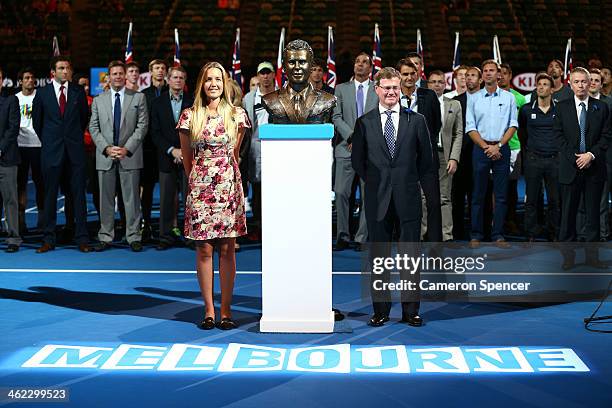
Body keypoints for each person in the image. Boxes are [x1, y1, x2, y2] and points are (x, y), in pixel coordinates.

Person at [351, 67, 433, 327]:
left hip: (408, 198)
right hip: (378, 199)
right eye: (386, 87)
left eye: (395, 87)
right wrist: (377, 183)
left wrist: (405, 182)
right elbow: (358, 162)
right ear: (377, 90)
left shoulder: (417, 120)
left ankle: (411, 311)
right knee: (379, 259)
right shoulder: (364, 122)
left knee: (410, 258)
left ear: (401, 90)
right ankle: (381, 311)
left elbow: (426, 161)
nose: (391, 92)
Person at [177, 62, 250, 330]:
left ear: (225, 83)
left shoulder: (237, 115)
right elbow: (187, 159)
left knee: (228, 249)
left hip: (228, 186)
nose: (214, 84)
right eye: (208, 79)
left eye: (218, 79)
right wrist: (198, 182)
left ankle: (227, 310)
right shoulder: (190, 115)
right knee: (204, 249)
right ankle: (209, 309)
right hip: (201, 187)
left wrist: (223, 177)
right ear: (202, 84)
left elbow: (235, 154)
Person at [32, 56, 91, 253]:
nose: (65, 71)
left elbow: (84, 118)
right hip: (51, 153)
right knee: (50, 197)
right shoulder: (42, 94)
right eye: (61, 68)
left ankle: (81, 238)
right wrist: (52, 142)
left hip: (75, 153)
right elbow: (37, 123)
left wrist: (70, 139)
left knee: (78, 196)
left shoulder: (78, 92)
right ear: (53, 72)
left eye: (67, 68)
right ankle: (49, 239)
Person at [89, 60, 148, 252]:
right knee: (105, 200)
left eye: (121, 73)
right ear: (109, 76)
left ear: (126, 76)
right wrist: (106, 148)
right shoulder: (98, 100)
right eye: (114, 74)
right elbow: (93, 127)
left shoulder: (138, 98)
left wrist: (126, 148)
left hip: (129, 156)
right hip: (105, 157)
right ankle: (105, 236)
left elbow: (142, 126)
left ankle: (133, 236)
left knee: (132, 200)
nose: (118, 77)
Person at [555, 67, 611, 269]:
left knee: (593, 214)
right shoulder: (561, 107)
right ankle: (568, 258)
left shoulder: (601, 107)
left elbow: (606, 136)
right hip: (570, 168)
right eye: (576, 82)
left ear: (590, 84)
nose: (580, 85)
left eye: (584, 82)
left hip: (594, 168)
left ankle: (592, 258)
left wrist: (590, 155)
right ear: (570, 84)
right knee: (568, 215)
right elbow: (558, 137)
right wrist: (576, 158)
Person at [466, 59, 518, 248]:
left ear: (499, 74)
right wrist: (486, 147)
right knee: (478, 194)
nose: (488, 73)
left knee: (501, 195)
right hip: (480, 149)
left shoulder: (509, 98)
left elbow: (513, 124)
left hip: (502, 148)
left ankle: (498, 234)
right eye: (485, 71)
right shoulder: (474, 98)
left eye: (492, 70)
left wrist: (498, 145)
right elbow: (470, 127)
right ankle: (476, 234)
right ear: (483, 75)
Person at [332, 52, 377, 251]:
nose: (360, 65)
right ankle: (342, 235)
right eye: (357, 61)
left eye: (364, 62)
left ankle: (362, 237)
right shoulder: (341, 89)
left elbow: (381, 116)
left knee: (369, 194)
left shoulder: (378, 89)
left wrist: (363, 140)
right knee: (341, 192)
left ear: (371, 67)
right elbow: (336, 116)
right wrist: (353, 137)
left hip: (371, 150)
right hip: (345, 148)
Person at [397, 58, 442, 242]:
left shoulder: (429, 95)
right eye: (405, 74)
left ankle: (435, 246)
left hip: (426, 159)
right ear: (398, 76)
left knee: (433, 203)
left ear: (417, 75)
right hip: (401, 161)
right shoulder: (392, 96)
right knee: (405, 204)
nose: (409, 77)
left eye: (412, 74)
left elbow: (436, 124)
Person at [151, 65, 194, 250]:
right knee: (166, 200)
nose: (178, 80)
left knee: (190, 199)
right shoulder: (157, 102)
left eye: (181, 78)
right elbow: (155, 132)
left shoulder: (193, 102)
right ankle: (166, 236)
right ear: (168, 80)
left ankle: (192, 236)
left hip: (188, 158)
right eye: (175, 77)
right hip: (166, 158)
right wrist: (172, 150)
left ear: (184, 81)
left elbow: (196, 130)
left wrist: (183, 151)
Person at [518, 73, 560, 241]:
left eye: (545, 84)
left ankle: (554, 233)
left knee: (554, 201)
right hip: (533, 160)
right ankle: (531, 233)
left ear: (552, 89)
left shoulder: (560, 109)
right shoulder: (527, 109)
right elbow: (522, 134)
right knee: (531, 200)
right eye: (539, 84)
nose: (541, 87)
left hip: (554, 160)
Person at [427, 70, 463, 241]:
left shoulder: (454, 105)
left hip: (444, 155)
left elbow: (459, 133)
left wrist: (454, 157)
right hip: (424, 156)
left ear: (445, 84)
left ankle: (446, 234)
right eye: (433, 81)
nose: (436, 85)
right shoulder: (421, 103)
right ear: (427, 84)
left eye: (440, 82)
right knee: (421, 196)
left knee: (444, 197)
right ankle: (422, 233)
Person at [242, 61, 276, 241]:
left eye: (268, 73)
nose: (265, 76)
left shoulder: (282, 95)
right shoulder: (249, 98)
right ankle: (257, 226)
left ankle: (273, 226)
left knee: (274, 188)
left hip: (277, 146)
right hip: (255, 146)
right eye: (262, 73)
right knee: (257, 188)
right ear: (257, 75)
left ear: (273, 75)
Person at [141, 59, 169, 241]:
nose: (159, 71)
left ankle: (169, 227)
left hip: (168, 148)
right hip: (149, 148)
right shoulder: (144, 94)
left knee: (170, 190)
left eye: (162, 68)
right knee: (148, 189)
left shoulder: (172, 91)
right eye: (156, 68)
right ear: (150, 71)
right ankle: (146, 223)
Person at [15, 67, 44, 233]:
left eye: (32, 77)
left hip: (39, 146)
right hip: (20, 147)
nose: (30, 80)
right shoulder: (15, 99)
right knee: (21, 186)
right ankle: (20, 222)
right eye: (26, 78)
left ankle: (42, 221)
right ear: (20, 81)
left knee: (41, 185)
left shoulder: (40, 97)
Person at [0, 67, 22, 252]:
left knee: (10, 200)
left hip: (6, 158)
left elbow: (13, 128)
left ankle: (13, 238)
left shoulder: (10, 100)